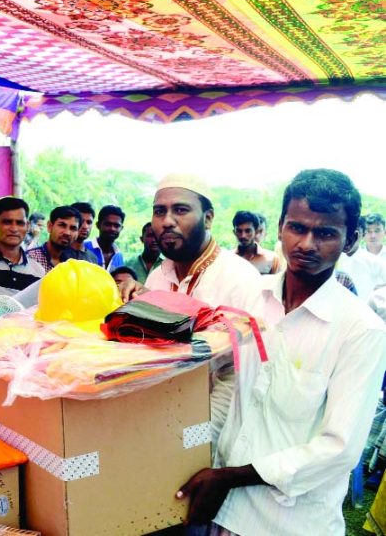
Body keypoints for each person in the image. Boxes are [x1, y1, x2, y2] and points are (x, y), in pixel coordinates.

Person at [177, 169, 386, 535]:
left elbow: (339, 449)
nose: (306, 243)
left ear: (350, 239)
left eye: (325, 233)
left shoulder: (361, 331)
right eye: (297, 227)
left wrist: (229, 477)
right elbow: (221, 380)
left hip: (288, 523)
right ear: (279, 227)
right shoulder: (252, 299)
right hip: (220, 510)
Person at [121, 174, 261, 444]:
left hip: (214, 438)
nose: (167, 221)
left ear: (208, 218)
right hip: (158, 423)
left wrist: (193, 443)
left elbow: (239, 378)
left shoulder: (239, 278)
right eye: (159, 211)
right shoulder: (156, 278)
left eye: (180, 210)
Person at [26, 205, 82, 273]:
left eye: (73, 228)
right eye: (62, 225)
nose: (67, 233)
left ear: (77, 233)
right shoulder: (31, 259)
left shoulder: (73, 265)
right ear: (50, 226)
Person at [232, 210, 281, 274]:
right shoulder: (227, 259)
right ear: (234, 232)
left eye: (248, 231)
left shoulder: (272, 259)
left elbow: (277, 283)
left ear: (256, 232)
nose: (243, 236)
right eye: (239, 231)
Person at [84, 204, 125, 271]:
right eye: (108, 224)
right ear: (98, 225)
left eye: (116, 226)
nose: (112, 229)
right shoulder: (84, 248)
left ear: (121, 228)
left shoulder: (119, 256)